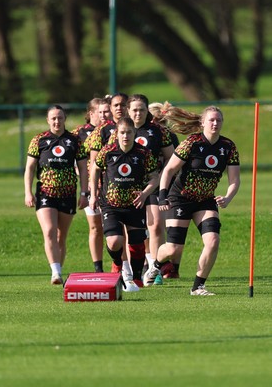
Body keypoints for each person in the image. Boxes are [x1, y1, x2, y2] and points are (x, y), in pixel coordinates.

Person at [143, 105, 240, 295]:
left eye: (218, 120)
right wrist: (162, 196)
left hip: (205, 200)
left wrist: (228, 197)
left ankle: (198, 286)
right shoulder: (192, 142)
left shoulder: (228, 147)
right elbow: (169, 170)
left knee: (213, 240)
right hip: (180, 198)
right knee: (173, 249)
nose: (215, 123)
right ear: (203, 122)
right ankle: (155, 265)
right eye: (211, 120)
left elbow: (235, 180)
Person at [89, 117, 159, 291]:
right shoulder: (108, 151)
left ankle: (136, 277)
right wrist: (93, 194)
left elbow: (154, 178)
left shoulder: (143, 153)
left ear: (134, 133)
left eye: (129, 132)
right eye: (122, 132)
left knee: (137, 244)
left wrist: (144, 194)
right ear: (117, 133)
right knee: (114, 241)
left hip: (134, 205)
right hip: (110, 204)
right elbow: (95, 168)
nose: (126, 136)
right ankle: (117, 264)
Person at [24, 104, 88, 285]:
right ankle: (56, 273)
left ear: (64, 119)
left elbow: (83, 168)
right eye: (53, 118)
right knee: (50, 231)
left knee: (61, 235)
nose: (57, 121)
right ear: (48, 120)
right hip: (45, 192)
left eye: (60, 117)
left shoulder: (75, 140)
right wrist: (28, 192)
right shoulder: (39, 140)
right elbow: (30, 168)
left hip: (67, 193)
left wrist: (84, 193)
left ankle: (59, 267)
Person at [126, 94, 175, 285]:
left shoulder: (157, 131)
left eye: (142, 110)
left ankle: (153, 270)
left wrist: (162, 176)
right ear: (128, 111)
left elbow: (171, 158)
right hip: (128, 186)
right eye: (134, 110)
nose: (138, 113)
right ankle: (131, 272)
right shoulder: (121, 130)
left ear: (148, 111)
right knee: (132, 230)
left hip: (153, 185)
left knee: (155, 226)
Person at [71, 98, 111, 273]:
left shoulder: (116, 130)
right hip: (92, 187)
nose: (102, 115)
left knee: (116, 227)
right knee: (95, 227)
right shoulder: (79, 133)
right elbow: (71, 156)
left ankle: (121, 266)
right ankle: (98, 268)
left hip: (113, 185)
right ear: (91, 113)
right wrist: (82, 174)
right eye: (99, 112)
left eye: (105, 111)